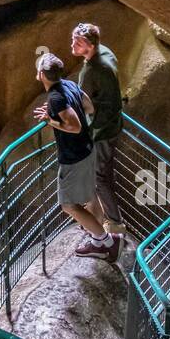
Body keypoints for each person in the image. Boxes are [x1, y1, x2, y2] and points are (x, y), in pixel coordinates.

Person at [33, 52, 120, 262]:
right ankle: (97, 239)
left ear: (42, 75)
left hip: (73, 157)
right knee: (90, 193)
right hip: (88, 148)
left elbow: (74, 126)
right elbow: (89, 107)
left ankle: (106, 241)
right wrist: (58, 112)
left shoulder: (55, 97)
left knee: (68, 205)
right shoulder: (68, 85)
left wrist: (49, 120)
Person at [71, 21, 124, 235]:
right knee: (103, 175)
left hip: (102, 132)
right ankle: (98, 212)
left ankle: (114, 223)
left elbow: (85, 103)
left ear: (90, 46)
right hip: (112, 126)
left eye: (78, 42)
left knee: (100, 176)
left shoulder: (93, 70)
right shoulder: (104, 53)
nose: (73, 45)